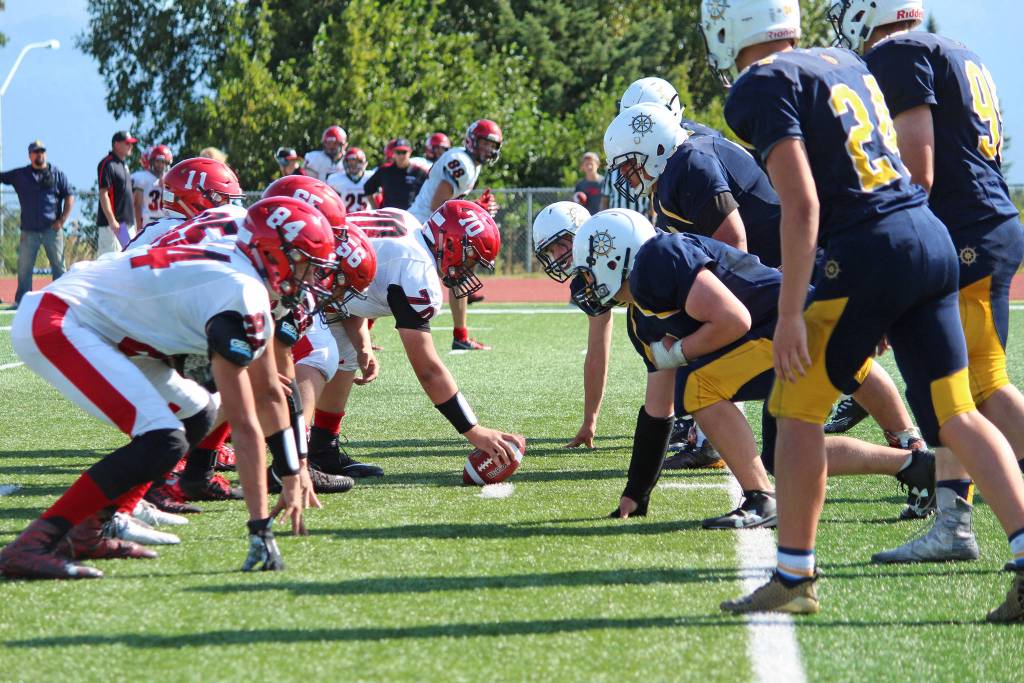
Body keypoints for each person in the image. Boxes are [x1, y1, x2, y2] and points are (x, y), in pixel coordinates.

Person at [700, 0, 1024, 621]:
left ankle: (794, 575)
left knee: (794, 409)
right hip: (929, 239)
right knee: (957, 412)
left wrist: (791, 311)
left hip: (871, 248)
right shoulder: (846, 59)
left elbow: (801, 207)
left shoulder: (762, 84)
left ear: (727, 28)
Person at [0, 195, 338, 579]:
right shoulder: (243, 293)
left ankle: (96, 526)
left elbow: (270, 393)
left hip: (113, 328)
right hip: (63, 319)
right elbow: (245, 423)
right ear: (273, 253)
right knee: (163, 437)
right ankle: (32, 544)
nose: (310, 277)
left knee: (198, 413)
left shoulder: (244, 270)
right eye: (304, 264)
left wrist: (292, 474)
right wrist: (259, 527)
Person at [832, 0, 1024, 576]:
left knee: (982, 386)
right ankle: (953, 522)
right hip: (974, 227)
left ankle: (958, 522)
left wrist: (892, 255)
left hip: (964, 232)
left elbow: (917, 168)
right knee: (949, 387)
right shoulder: (949, 49)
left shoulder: (897, 51)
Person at [307, 200, 524, 478]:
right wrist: (474, 430)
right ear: (451, 242)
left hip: (320, 281)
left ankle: (322, 451)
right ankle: (285, 461)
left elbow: (352, 285)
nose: (469, 270)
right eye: (470, 259)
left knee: (343, 357)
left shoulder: (407, 222)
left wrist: (362, 344)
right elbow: (428, 370)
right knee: (309, 362)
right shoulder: (416, 269)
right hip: (302, 282)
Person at [408, 120, 503, 350]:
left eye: (492, 146)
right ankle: (363, 330)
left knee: (461, 271)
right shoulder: (461, 163)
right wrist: (476, 206)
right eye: (483, 143)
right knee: (400, 281)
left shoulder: (470, 162)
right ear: (472, 140)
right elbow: (438, 204)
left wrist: (475, 207)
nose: (488, 150)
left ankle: (461, 336)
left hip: (433, 224)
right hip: (422, 225)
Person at [0, 140, 74, 307]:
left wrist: (62, 219)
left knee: (59, 267)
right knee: (24, 268)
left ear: (45, 154)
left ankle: (60, 300)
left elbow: (70, 195)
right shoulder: (21, 175)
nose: (39, 154)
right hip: (29, 231)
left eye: (42, 151)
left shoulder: (57, 174)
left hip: (52, 230)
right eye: (35, 151)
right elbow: (2, 176)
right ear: (30, 155)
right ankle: (22, 301)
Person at [96, 131, 137, 255]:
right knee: (110, 262)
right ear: (116, 144)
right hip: (113, 226)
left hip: (126, 225)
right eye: (127, 143)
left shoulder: (123, 165)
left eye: (131, 143)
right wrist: (112, 220)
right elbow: (104, 194)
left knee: (127, 259)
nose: (130, 146)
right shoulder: (107, 163)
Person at [362, 139, 427, 211]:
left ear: (410, 152)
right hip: (388, 216)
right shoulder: (385, 171)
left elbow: (427, 194)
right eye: (398, 152)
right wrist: (375, 209)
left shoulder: (419, 172)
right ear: (394, 153)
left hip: (410, 216)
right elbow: (368, 188)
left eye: (404, 152)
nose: (401, 156)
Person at [132, 145, 173, 231]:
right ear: (152, 162)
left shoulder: (171, 180)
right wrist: (139, 227)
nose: (160, 165)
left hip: (166, 223)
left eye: (163, 162)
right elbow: (137, 204)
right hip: (148, 223)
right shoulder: (142, 178)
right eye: (157, 161)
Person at [327, 147, 377, 212]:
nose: (353, 166)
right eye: (350, 163)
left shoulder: (371, 177)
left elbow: (378, 201)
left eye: (357, 163)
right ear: (345, 163)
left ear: (364, 163)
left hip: (366, 218)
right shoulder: (335, 179)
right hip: (346, 218)